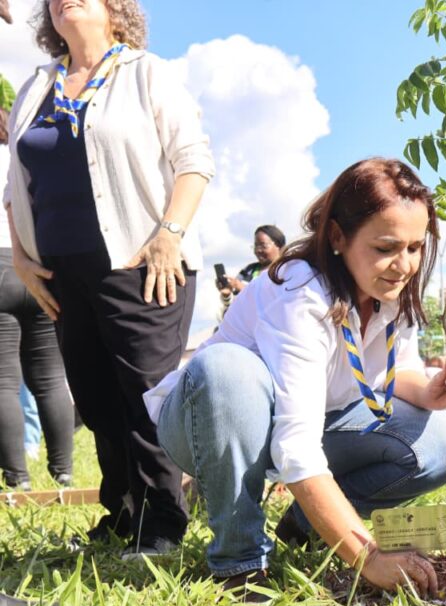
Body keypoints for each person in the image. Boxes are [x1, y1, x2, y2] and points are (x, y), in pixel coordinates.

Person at [145, 158, 446, 600]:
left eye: (415, 247)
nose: (404, 264)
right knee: (228, 370)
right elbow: (295, 446)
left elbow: (398, 371)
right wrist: (369, 558)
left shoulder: (390, 294)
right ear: (338, 236)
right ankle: (239, 561)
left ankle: (306, 523)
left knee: (443, 442)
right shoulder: (301, 292)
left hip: (316, 421)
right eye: (386, 247)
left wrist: (428, 390)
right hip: (209, 423)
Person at [5, 0, 214, 555]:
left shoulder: (146, 72)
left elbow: (193, 161)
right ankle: (122, 513)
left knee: (146, 396)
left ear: (114, 8)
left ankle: (163, 522)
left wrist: (169, 234)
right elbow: (16, 183)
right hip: (61, 274)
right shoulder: (37, 86)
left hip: (141, 264)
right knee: (96, 400)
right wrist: (22, 260)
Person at [1, 90, 76, 490]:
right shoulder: (23, 152)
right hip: (39, 266)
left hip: (0, 271)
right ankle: (64, 472)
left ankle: (18, 480)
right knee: (49, 376)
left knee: (2, 382)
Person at [217, 224, 286, 315]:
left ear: (279, 246)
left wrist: (243, 288)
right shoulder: (248, 270)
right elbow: (233, 307)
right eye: (256, 246)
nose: (258, 250)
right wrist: (227, 294)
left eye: (263, 246)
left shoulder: (285, 270)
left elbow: (276, 301)